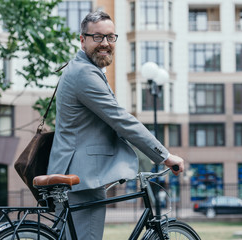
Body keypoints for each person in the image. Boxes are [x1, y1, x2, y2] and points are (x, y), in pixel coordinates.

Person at [47, 10, 184, 240]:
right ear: (83, 40)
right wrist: (165, 156)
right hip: (82, 178)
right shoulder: (84, 74)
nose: (106, 43)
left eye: (110, 37)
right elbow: (121, 119)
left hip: (78, 173)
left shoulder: (84, 69)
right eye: (98, 37)